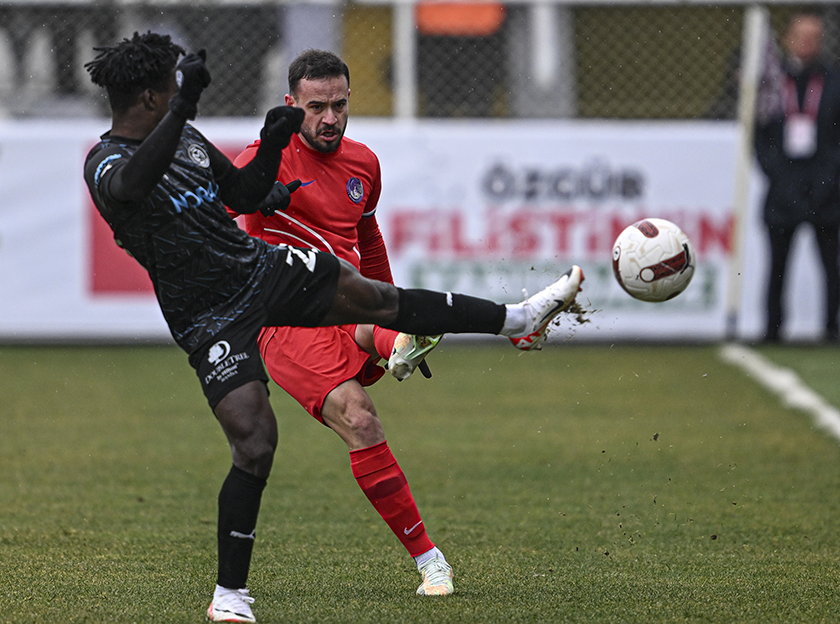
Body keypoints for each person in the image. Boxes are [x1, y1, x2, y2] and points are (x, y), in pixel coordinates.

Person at [83, 32, 583, 623]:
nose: (328, 117)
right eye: (169, 86)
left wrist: (271, 142)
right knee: (255, 442)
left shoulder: (190, 140)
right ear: (150, 96)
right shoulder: (105, 163)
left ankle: (518, 320)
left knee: (377, 298)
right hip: (208, 315)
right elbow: (134, 186)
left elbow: (241, 190)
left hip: (261, 272)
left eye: (336, 105)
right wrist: (185, 107)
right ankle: (230, 596)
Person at [233, 48, 456, 598]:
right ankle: (431, 561)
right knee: (360, 419)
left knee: (369, 307)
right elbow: (220, 213)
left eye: (339, 104)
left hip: (345, 305)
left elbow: (369, 239)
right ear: (291, 106)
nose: (329, 118)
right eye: (316, 107)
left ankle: (403, 337)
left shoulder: (363, 163)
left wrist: (394, 303)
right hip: (285, 322)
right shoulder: (262, 159)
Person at [755, 11, 840, 343]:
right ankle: (773, 329)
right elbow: (761, 138)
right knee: (777, 264)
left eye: (814, 37)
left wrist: (828, 179)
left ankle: (830, 329)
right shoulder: (772, 83)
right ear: (788, 38)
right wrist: (779, 176)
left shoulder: (832, 81)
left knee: (830, 265)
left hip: (825, 188)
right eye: (802, 36)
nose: (808, 44)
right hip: (783, 187)